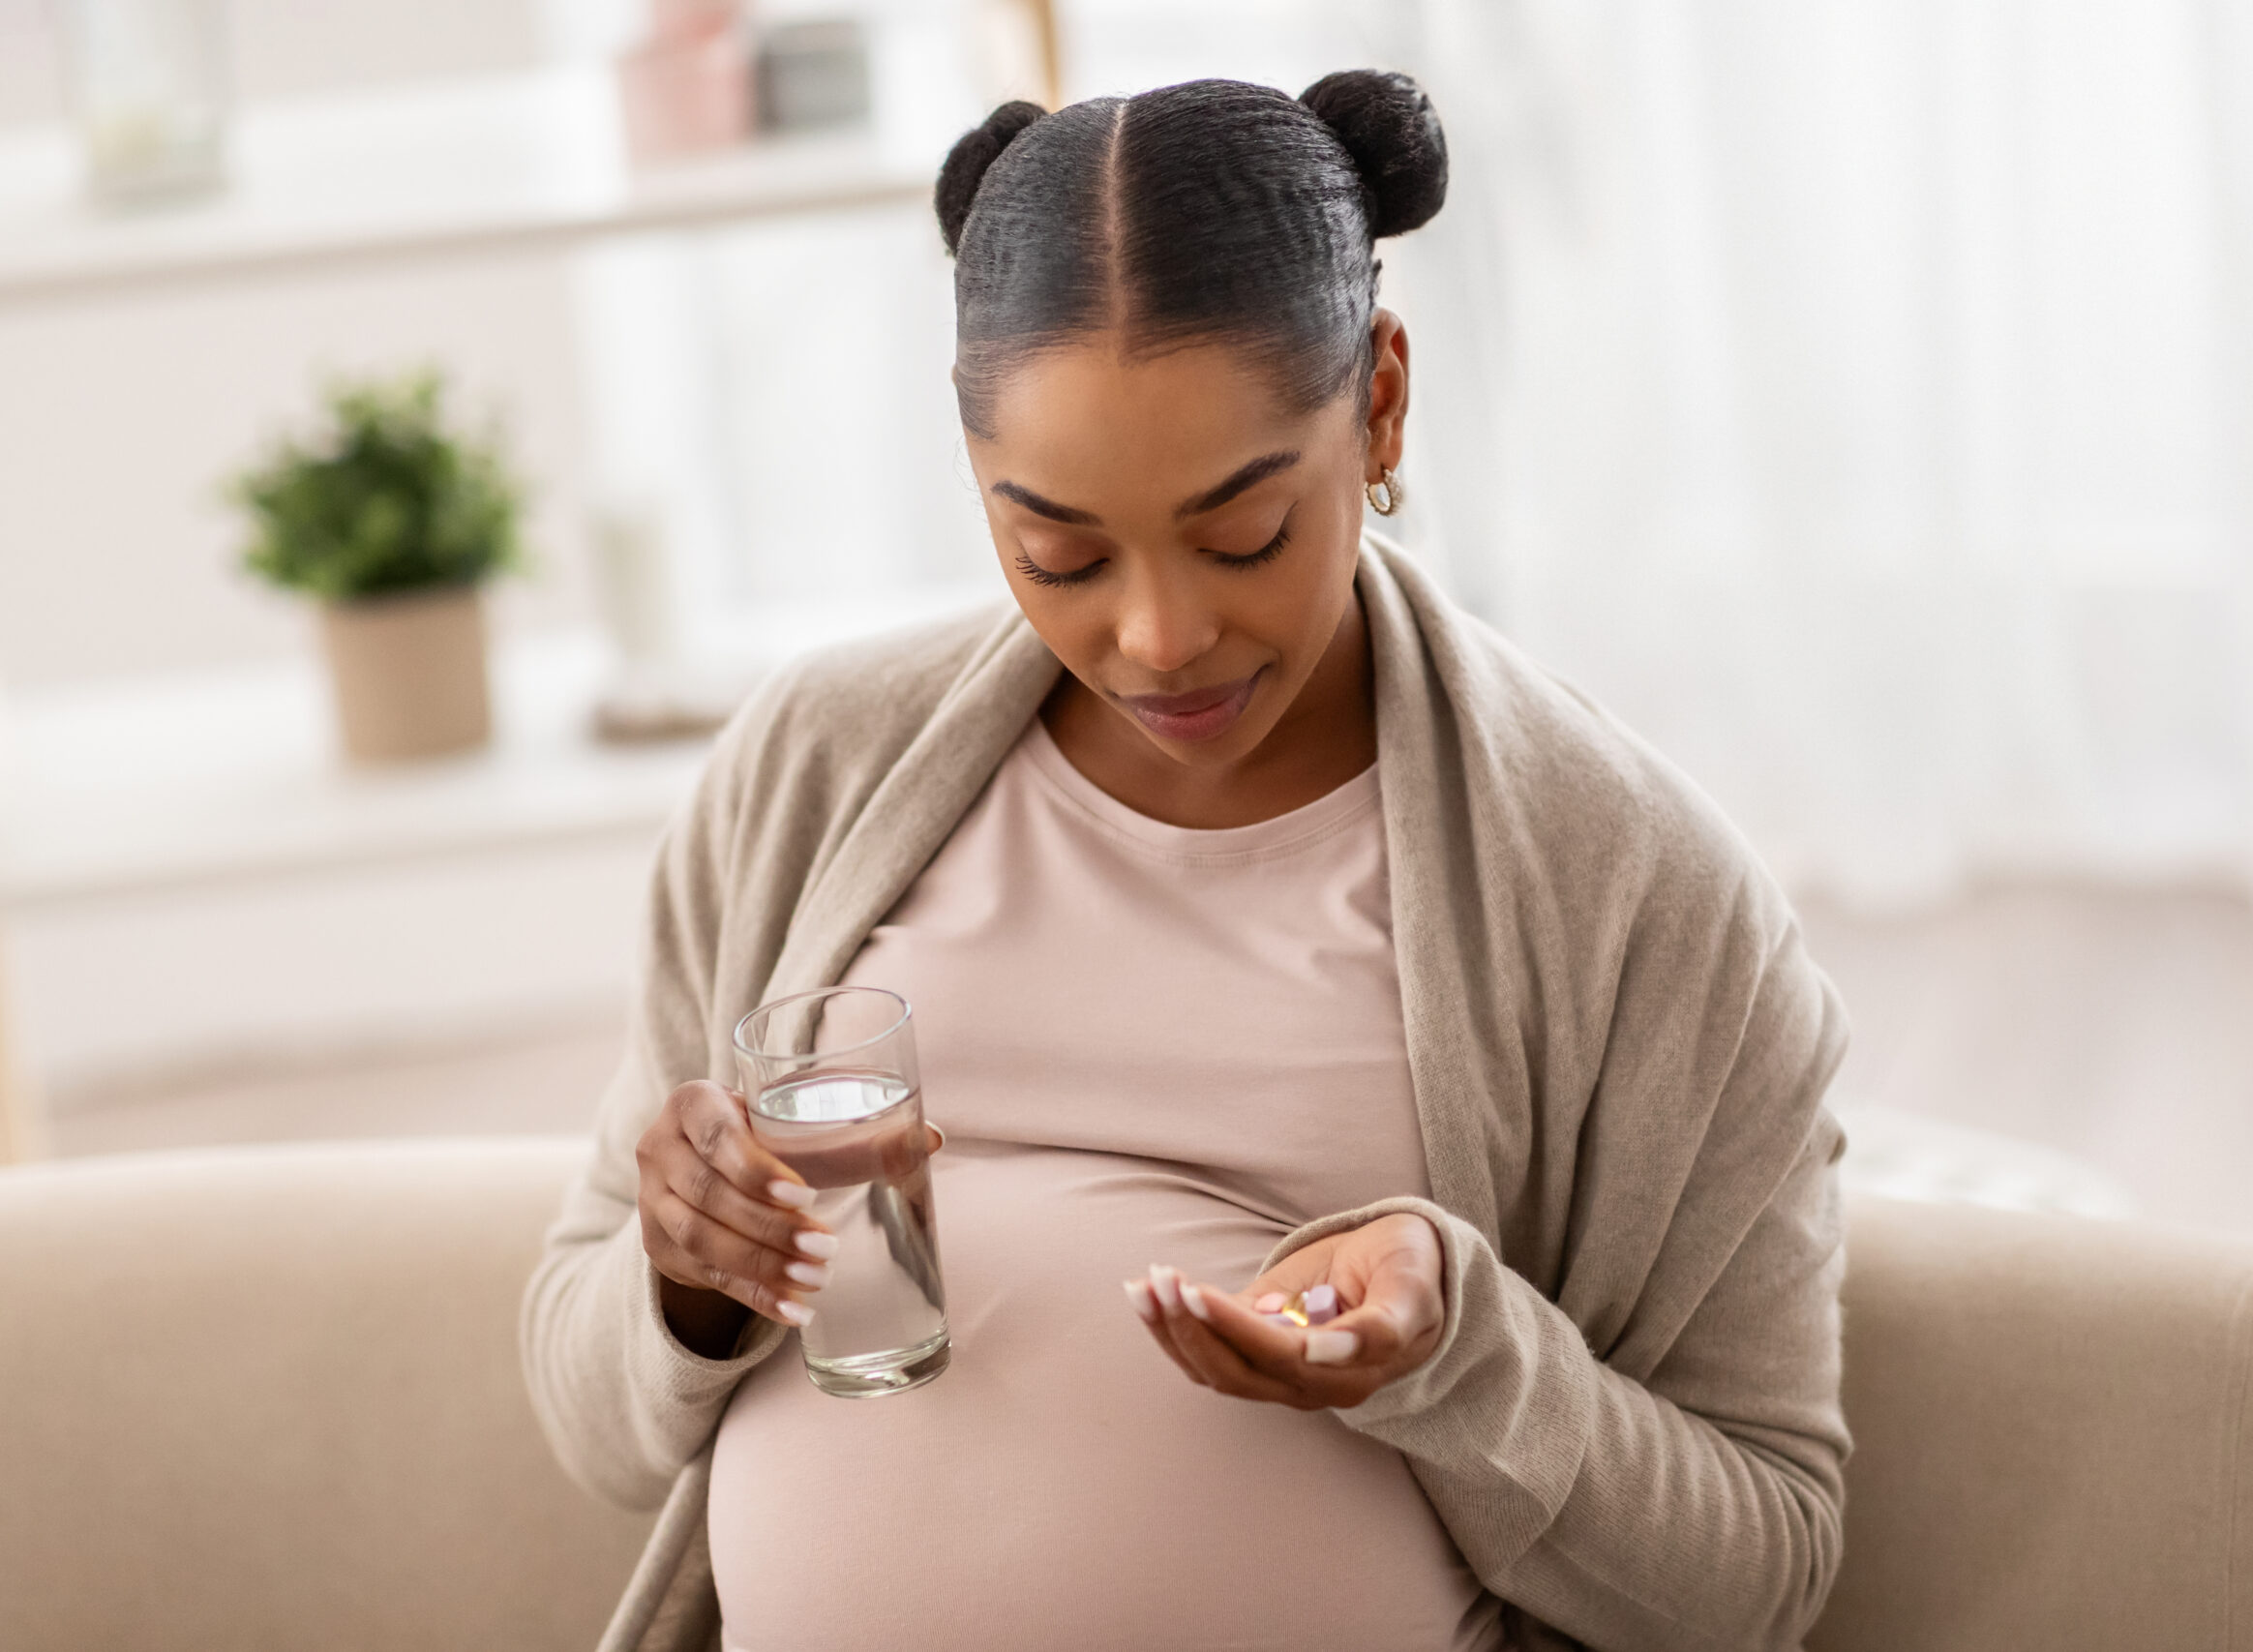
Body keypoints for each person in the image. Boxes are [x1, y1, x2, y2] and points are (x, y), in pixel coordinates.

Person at [523, 71, 1851, 1652]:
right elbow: (594, 1418)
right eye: (1061, 555)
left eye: (1243, 537)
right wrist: (685, 1283)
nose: (1157, 640)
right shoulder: (809, 769)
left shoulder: (1638, 894)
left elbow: (1761, 1573)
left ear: (1380, 404)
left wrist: (1458, 1347)